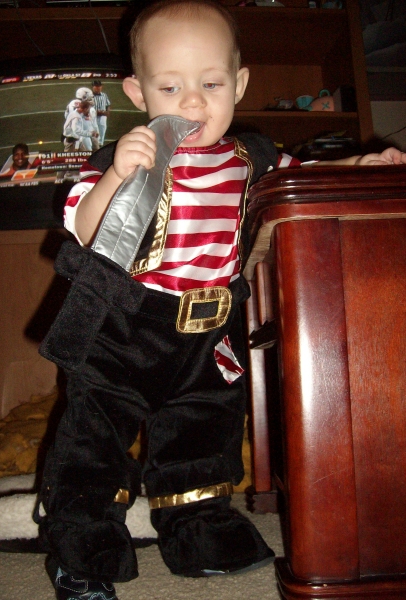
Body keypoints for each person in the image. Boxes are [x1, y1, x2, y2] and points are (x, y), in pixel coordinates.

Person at [36, 2, 406, 599]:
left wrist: (359, 163)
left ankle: (198, 527)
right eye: (170, 87)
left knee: (204, 428)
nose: (192, 102)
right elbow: (83, 229)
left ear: (240, 83)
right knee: (95, 434)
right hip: (127, 328)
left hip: (210, 332)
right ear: (137, 91)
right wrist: (116, 177)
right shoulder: (122, 158)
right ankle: (83, 544)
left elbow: (303, 180)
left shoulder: (253, 158)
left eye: (211, 84)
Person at [91, 80, 111, 147]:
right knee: (94, 130)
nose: (98, 88)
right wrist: (96, 112)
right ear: (93, 87)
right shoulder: (90, 96)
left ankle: (100, 144)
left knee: (102, 129)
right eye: (96, 86)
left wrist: (107, 112)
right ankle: (93, 144)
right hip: (93, 116)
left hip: (103, 116)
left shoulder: (104, 95)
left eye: (99, 86)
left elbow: (108, 104)